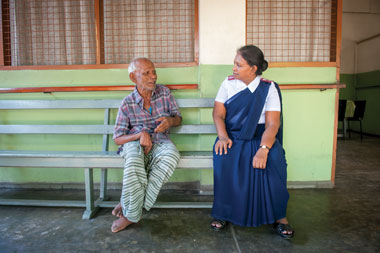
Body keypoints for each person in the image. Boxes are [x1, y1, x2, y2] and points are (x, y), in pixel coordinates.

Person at [210, 45, 294, 239]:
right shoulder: (228, 83)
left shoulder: (268, 87)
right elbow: (218, 114)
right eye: (234, 64)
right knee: (224, 157)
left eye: (238, 65)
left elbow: (272, 124)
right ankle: (223, 213)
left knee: (275, 160)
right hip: (232, 136)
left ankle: (279, 217)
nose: (234, 68)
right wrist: (223, 136)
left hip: (260, 137)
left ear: (253, 68)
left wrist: (264, 149)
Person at [111, 57, 182, 233]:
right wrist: (140, 134)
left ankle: (128, 201)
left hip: (160, 141)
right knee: (134, 160)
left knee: (172, 156)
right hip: (134, 143)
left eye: (154, 72)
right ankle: (130, 216)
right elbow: (118, 138)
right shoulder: (127, 103)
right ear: (133, 78)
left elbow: (178, 118)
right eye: (146, 73)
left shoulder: (164, 93)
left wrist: (169, 121)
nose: (153, 77)